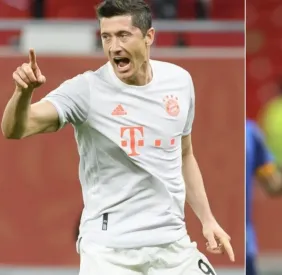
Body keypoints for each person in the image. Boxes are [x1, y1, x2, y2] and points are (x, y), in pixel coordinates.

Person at [1, 0, 234, 274]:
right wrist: (23, 93)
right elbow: (14, 130)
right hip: (110, 252)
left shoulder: (180, 81)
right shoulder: (85, 90)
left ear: (149, 37)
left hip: (173, 245)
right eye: (106, 37)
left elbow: (184, 154)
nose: (114, 47)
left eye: (123, 35)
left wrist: (207, 220)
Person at [245, 119, 282, 275]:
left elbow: (272, 186)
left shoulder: (250, 133)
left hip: (244, 245)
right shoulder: (192, 127)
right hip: (201, 240)